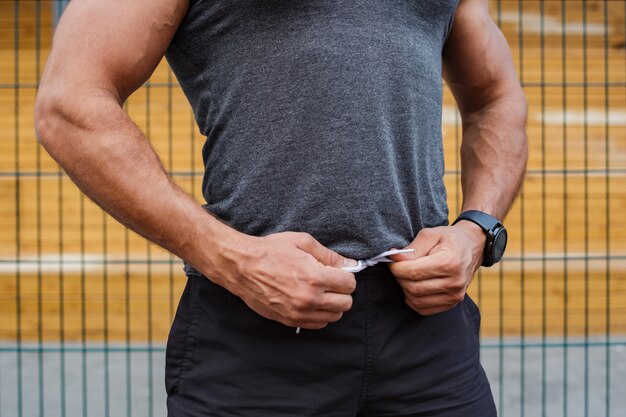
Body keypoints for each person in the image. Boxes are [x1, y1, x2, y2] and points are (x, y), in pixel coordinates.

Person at [35, 0, 527, 415]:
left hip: (427, 333)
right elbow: (70, 104)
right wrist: (233, 258)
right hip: (258, 331)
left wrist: (476, 231)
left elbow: (494, 98)